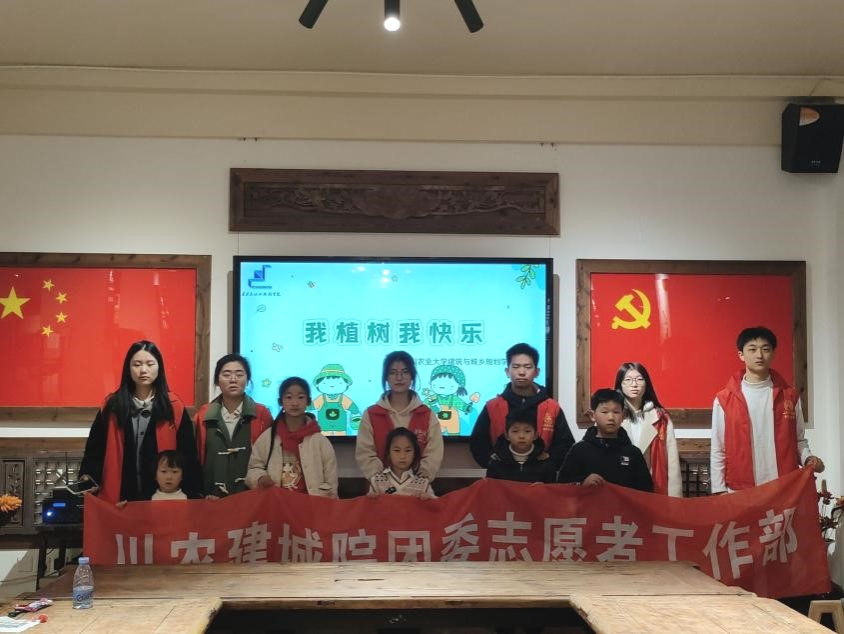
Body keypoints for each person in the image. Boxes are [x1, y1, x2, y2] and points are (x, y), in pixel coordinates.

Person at [79, 340, 201, 503]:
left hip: (161, 497)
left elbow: (187, 455)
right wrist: (88, 476)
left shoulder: (173, 407)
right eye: (137, 364)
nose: (143, 370)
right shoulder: (112, 405)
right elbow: (95, 449)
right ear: (128, 369)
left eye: (150, 364)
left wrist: (193, 492)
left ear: (159, 368)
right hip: (120, 496)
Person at [710, 326, 824, 494]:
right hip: (740, 490)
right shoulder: (724, 400)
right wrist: (719, 490)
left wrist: (808, 458)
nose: (759, 355)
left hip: (783, 488)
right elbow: (718, 449)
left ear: (773, 353)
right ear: (741, 354)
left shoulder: (789, 396)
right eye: (752, 349)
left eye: (765, 349)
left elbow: (799, 440)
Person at [470, 343, 574, 471]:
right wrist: (492, 461)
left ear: (537, 372)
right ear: (507, 372)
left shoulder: (551, 407)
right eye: (516, 367)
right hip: (502, 476)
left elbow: (565, 444)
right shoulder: (493, 406)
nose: (521, 372)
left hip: (541, 477)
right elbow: (478, 442)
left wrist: (549, 461)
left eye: (527, 367)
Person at [356, 351, 444, 482]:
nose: (399, 377)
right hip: (380, 488)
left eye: (405, 372)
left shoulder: (426, 414)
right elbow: (365, 453)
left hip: (417, 488)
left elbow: (433, 454)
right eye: (393, 373)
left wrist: (418, 480)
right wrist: (382, 481)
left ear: (412, 376)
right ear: (386, 377)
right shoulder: (371, 414)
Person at [195, 353, 273, 498]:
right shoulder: (203, 415)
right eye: (226, 374)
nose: (233, 379)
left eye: (239, 374)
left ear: (247, 380)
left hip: (252, 497)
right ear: (217, 380)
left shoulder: (262, 414)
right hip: (212, 498)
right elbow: (197, 458)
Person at [246, 377, 338, 497]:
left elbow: (331, 482)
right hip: (277, 504)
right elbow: (253, 469)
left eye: (301, 397)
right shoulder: (268, 438)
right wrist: (260, 478)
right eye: (289, 397)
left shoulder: (320, 442)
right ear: (280, 402)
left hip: (311, 505)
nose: (295, 403)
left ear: (308, 401)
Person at [558, 388, 654, 492]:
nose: (611, 417)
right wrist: (582, 483)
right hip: (589, 502)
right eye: (605, 412)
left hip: (622, 503)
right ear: (592, 415)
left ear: (623, 416)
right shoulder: (579, 450)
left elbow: (646, 491)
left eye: (616, 412)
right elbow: (561, 486)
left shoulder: (633, 453)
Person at [614, 362, 682, 497]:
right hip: (619, 489)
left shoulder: (660, 417)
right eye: (628, 380)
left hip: (652, 487)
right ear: (620, 384)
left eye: (639, 379)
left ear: (647, 384)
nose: (634, 384)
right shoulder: (611, 416)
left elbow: (672, 463)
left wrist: (675, 499)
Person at [486, 409, 557, 483]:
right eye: (515, 431)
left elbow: (552, 488)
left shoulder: (546, 462)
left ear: (535, 435)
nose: (521, 436)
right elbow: (490, 487)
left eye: (527, 431)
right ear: (507, 435)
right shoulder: (496, 461)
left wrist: (544, 487)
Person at [368, 427, 436, 498]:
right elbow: (369, 504)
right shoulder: (377, 481)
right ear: (388, 453)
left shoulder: (423, 483)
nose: (402, 456)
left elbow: (436, 503)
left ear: (414, 454)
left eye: (408, 450)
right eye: (397, 450)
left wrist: (427, 499)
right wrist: (371, 499)